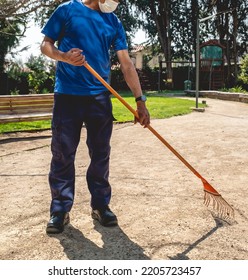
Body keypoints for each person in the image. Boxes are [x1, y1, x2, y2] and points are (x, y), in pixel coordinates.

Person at [40, 0, 150, 234]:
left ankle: (100, 205)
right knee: (62, 153)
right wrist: (64, 56)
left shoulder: (113, 21)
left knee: (101, 153)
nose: (117, 1)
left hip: (99, 97)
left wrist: (140, 100)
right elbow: (46, 45)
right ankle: (59, 210)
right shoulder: (67, 10)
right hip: (67, 95)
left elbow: (126, 63)